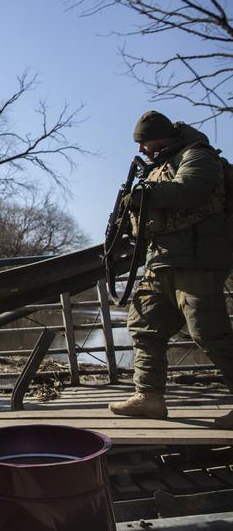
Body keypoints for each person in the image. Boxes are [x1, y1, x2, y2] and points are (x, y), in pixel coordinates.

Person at [108, 111, 233, 430]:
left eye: (143, 142)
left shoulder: (198, 156)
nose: (141, 150)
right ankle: (148, 397)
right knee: (144, 323)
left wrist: (143, 196)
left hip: (196, 260)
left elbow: (191, 189)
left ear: (160, 136)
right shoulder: (157, 168)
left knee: (210, 332)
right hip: (160, 261)